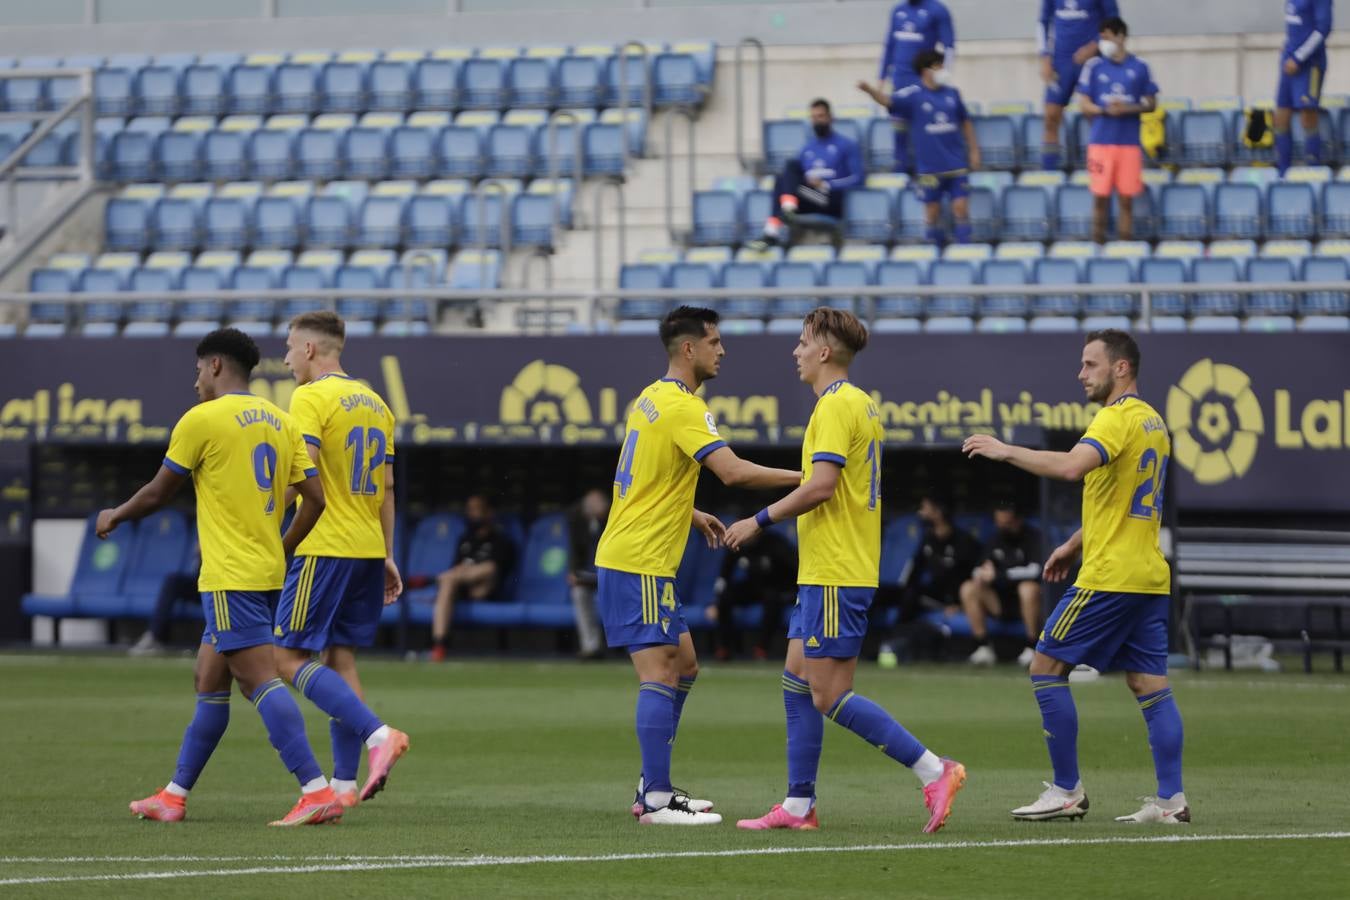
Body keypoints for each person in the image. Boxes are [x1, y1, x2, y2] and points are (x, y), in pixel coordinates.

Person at [727, 308, 966, 835]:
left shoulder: (836, 406)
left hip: (837, 570)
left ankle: (935, 769)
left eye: (802, 342)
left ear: (824, 352)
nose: (795, 351)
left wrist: (758, 520)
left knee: (829, 695)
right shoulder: (859, 404)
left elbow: (821, 487)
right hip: (828, 570)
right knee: (795, 678)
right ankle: (798, 806)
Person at [100, 328, 343, 827]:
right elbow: (316, 499)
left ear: (214, 366)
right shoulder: (281, 420)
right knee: (209, 677)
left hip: (230, 575)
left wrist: (116, 515)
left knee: (259, 679)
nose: (194, 382)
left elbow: (158, 492)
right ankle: (173, 796)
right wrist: (282, 545)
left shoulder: (203, 420)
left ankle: (316, 790)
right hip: (267, 570)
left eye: (196, 371)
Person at [963, 329, 1188, 825]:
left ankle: (1066, 791)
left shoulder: (1115, 417)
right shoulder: (1153, 421)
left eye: (1090, 364)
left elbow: (1070, 468)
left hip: (1111, 576)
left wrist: (1005, 450)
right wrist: (1071, 543)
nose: (1081, 373)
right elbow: (1122, 501)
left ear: (1121, 368)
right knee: (1148, 681)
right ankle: (1171, 801)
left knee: (1044, 668)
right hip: (1149, 575)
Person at [594, 305, 801, 825]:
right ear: (689, 349)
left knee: (684, 665)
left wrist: (687, 511)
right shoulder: (685, 406)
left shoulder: (649, 398)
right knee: (661, 669)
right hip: (638, 560)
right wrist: (808, 477)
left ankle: (651, 783)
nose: (722, 350)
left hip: (639, 559)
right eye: (714, 341)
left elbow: (642, 479)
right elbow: (731, 472)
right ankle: (657, 799)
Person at [273, 311, 410, 808]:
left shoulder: (309, 398)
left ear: (309, 349)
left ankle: (378, 736)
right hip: (367, 549)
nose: (286, 358)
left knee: (286, 657)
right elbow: (387, 489)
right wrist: (387, 553)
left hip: (323, 546)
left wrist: (264, 520)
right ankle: (344, 786)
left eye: (289, 347)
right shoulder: (376, 403)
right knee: (341, 658)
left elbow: (302, 478)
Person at [859, 49, 979, 246]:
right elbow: (888, 100)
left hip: (956, 165)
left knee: (960, 208)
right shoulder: (913, 96)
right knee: (932, 213)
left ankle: (965, 251)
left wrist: (974, 151)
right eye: (938, 66)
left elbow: (965, 122)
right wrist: (870, 90)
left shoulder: (952, 94)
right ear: (926, 71)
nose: (942, 70)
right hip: (930, 169)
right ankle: (935, 253)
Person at [1075, 17, 1158, 244]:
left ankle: (1124, 248)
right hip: (1101, 143)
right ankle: (1098, 246)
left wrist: (1128, 108)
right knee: (1100, 198)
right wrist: (1104, 110)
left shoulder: (1140, 67)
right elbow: (1083, 103)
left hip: (1129, 143)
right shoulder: (1093, 66)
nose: (1103, 43)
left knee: (1126, 199)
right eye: (1101, 38)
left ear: (1121, 37)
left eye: (1107, 37)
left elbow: (1151, 104)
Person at [749, 99, 864, 249]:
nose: (817, 121)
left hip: (829, 200)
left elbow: (859, 179)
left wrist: (826, 184)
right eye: (814, 117)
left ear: (830, 118)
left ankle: (772, 231)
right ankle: (787, 209)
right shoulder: (807, 148)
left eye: (821, 116)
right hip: (808, 197)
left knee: (785, 177)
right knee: (786, 173)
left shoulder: (847, 145)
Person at [429, 493, 517, 661]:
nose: (471, 514)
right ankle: (439, 644)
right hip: (461, 590)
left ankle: (444, 580)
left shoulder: (501, 539)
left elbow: (496, 570)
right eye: (470, 509)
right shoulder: (465, 538)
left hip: (487, 590)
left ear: (489, 512)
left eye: (476, 509)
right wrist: (460, 572)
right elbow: (456, 567)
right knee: (448, 582)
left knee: (486, 568)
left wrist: (466, 571)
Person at [876, 0, 957, 172]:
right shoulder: (898, 10)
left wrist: (944, 74)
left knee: (924, 128)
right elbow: (889, 46)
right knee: (899, 127)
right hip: (899, 79)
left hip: (922, 80)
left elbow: (949, 46)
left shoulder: (937, 10)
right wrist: (882, 77)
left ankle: (927, 170)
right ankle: (901, 169)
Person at [1038, 0, 1120, 170]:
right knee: (1050, 117)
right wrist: (1044, 56)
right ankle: (1049, 176)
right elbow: (1043, 21)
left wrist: (1095, 45)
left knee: (1096, 118)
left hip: (1093, 61)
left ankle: (1104, 170)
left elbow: (1114, 20)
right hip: (1061, 63)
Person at [959, 503, 1043, 667]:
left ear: (1018, 520)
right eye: (999, 523)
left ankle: (1033, 647)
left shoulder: (1034, 537)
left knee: (1027, 588)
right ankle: (983, 646)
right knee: (968, 587)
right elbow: (979, 568)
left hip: (1028, 603)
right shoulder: (995, 538)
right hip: (999, 601)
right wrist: (981, 574)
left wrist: (1000, 575)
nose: (1003, 527)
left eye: (1007, 523)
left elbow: (1035, 570)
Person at [712, 524, 797, 661]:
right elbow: (724, 576)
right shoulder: (737, 544)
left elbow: (795, 567)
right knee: (726, 596)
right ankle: (724, 648)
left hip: (778, 587)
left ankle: (762, 649)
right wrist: (715, 602)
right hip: (755, 587)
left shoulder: (775, 543)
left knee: (772, 599)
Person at [1275, 0, 1333, 175]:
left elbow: (1323, 29)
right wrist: (1287, 48)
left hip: (1310, 65)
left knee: (1307, 117)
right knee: (1280, 117)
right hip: (1288, 63)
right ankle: (1283, 174)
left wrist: (1299, 57)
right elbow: (1296, 25)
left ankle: (1312, 173)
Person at [129, 543, 200, 656]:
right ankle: (154, 636)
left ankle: (216, 642)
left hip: (221, 582)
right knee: (173, 581)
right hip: (202, 582)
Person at [568, 488, 610, 660]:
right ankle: (590, 647)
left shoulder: (614, 518)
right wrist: (572, 572)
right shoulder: (577, 520)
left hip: (612, 573)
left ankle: (629, 646)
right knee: (578, 593)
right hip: (588, 574)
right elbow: (574, 550)